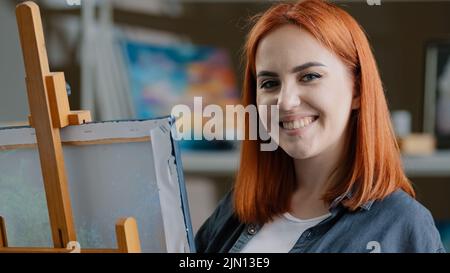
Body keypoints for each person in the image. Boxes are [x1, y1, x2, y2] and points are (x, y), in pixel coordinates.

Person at [195, 0, 445, 253]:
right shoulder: (235, 209)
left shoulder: (402, 226)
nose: (286, 101)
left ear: (357, 89)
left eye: (309, 76)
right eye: (270, 83)